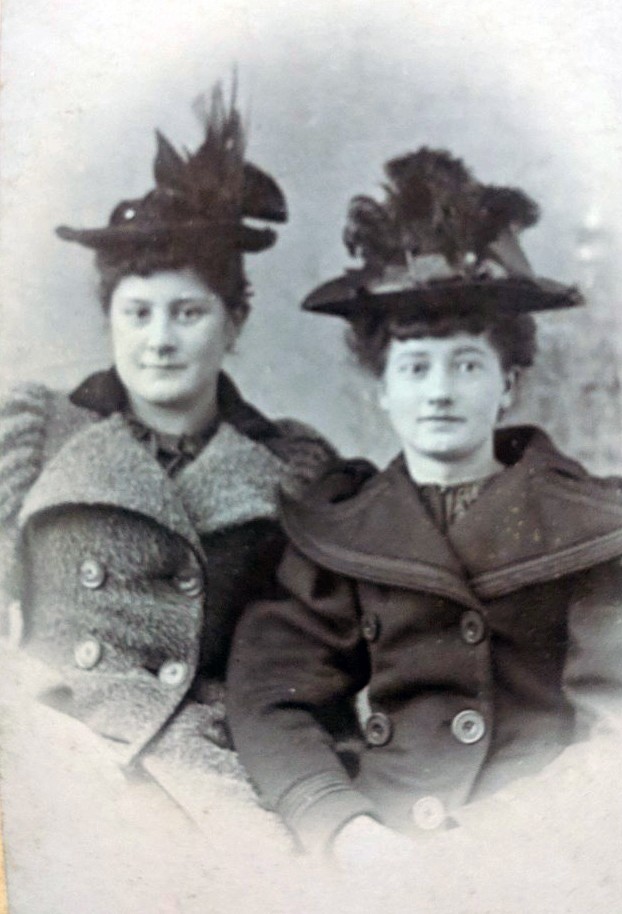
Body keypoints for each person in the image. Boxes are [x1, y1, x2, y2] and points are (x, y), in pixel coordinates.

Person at [227, 148, 622, 869]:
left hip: (551, 845)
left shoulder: (600, 532)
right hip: (387, 848)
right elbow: (270, 697)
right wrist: (342, 827)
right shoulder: (346, 532)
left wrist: (511, 840)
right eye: (414, 367)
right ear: (381, 388)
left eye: (467, 364)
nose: (438, 392)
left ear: (508, 382)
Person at [0, 81, 333, 907]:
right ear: (109, 318)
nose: (159, 339)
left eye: (188, 312)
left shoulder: (290, 468)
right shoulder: (34, 437)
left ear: (235, 322)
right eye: (137, 311)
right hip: (49, 754)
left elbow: (309, 658)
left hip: (210, 769)